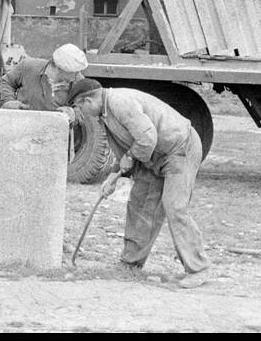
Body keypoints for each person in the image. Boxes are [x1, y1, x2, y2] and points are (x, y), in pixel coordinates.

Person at [68, 79, 210, 288]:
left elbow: (147, 138)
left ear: (87, 100)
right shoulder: (105, 112)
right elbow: (127, 149)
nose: (82, 113)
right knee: (140, 203)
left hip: (179, 148)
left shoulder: (119, 102)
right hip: (154, 157)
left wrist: (129, 158)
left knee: (175, 207)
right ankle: (130, 263)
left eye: (80, 107)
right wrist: (114, 175)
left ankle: (198, 269)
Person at [0, 43, 87, 122]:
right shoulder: (28, 67)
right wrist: (8, 101)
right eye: (74, 72)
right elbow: (7, 81)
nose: (78, 74)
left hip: (56, 131)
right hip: (22, 124)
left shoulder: (78, 81)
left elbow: (85, 105)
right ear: (59, 69)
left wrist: (74, 112)